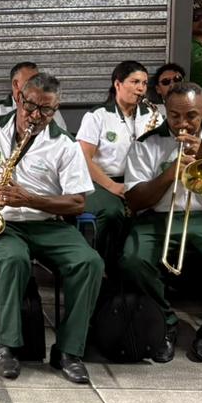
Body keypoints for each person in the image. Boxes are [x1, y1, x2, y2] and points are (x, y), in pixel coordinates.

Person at [0, 73, 100, 383]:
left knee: (89, 263)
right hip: (4, 225)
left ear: (56, 108)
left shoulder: (64, 144)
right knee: (12, 260)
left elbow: (77, 203)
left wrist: (30, 199)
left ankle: (68, 351)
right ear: (18, 98)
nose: (35, 116)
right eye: (30, 106)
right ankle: (8, 347)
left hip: (48, 224)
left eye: (45, 110)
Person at [120, 82, 202, 363]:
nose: (182, 124)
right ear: (165, 112)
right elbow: (134, 201)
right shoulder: (147, 144)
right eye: (174, 116)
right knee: (132, 259)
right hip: (157, 218)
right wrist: (169, 174)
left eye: (191, 115)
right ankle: (166, 323)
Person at [76, 60, 158, 258]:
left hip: (138, 181)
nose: (141, 88)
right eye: (135, 82)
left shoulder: (152, 115)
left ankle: (136, 261)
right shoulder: (97, 116)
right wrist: (112, 186)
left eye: (145, 83)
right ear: (118, 84)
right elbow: (83, 158)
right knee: (113, 212)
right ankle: (105, 263)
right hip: (101, 182)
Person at [0, 61, 67, 142]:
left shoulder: (51, 112)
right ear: (16, 84)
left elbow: (62, 142)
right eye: (31, 81)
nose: (37, 86)